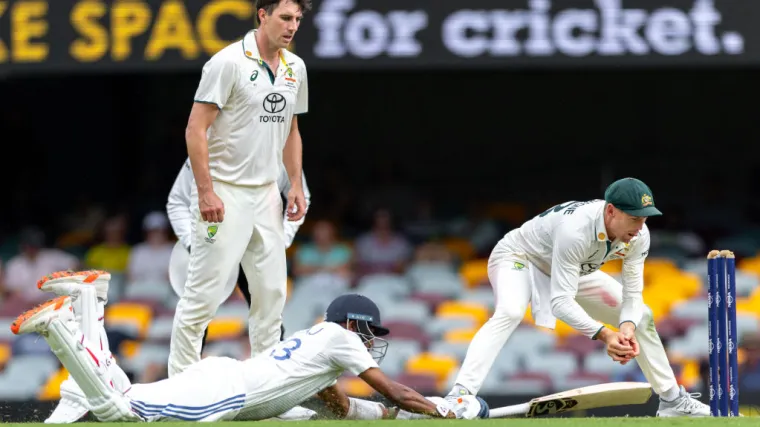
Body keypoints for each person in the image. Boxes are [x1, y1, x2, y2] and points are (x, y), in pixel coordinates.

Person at [12, 272, 488, 422]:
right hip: (226, 392)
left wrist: (393, 417)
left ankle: (92, 296)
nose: (370, 342)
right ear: (354, 323)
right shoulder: (342, 338)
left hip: (221, 375)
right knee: (119, 414)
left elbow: (337, 405)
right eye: (370, 332)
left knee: (121, 392)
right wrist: (440, 411)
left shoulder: (316, 352)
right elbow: (397, 391)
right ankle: (59, 327)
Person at [445, 177, 710, 417]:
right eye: (634, 218)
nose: (640, 227)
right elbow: (560, 303)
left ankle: (672, 400)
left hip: (574, 268)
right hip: (520, 257)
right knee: (511, 311)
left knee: (643, 316)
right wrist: (606, 335)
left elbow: (632, 292)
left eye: (645, 218)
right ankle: (460, 395)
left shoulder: (639, 236)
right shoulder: (576, 229)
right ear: (610, 211)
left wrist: (627, 327)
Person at [171, 0, 311, 377]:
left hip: (267, 194)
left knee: (271, 296)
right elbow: (194, 129)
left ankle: (268, 389)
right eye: (285, 17)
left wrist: (294, 184)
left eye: (298, 19)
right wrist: (205, 192)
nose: (293, 25)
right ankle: (179, 388)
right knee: (203, 295)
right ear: (262, 15)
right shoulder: (227, 62)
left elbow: (291, 131)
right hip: (226, 193)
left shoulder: (295, 68)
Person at [36, 270, 314, 423]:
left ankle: (87, 301)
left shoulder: (284, 380)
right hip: (217, 388)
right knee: (117, 407)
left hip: (216, 381)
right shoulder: (288, 380)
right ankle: (68, 319)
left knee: (119, 398)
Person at [166, 157, 311, 349]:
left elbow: (300, 197)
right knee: (195, 320)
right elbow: (177, 201)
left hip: (256, 247)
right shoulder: (206, 148)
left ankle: (275, 373)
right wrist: (192, 244)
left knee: (269, 322)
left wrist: (280, 241)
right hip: (212, 245)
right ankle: (186, 375)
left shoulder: (276, 149)